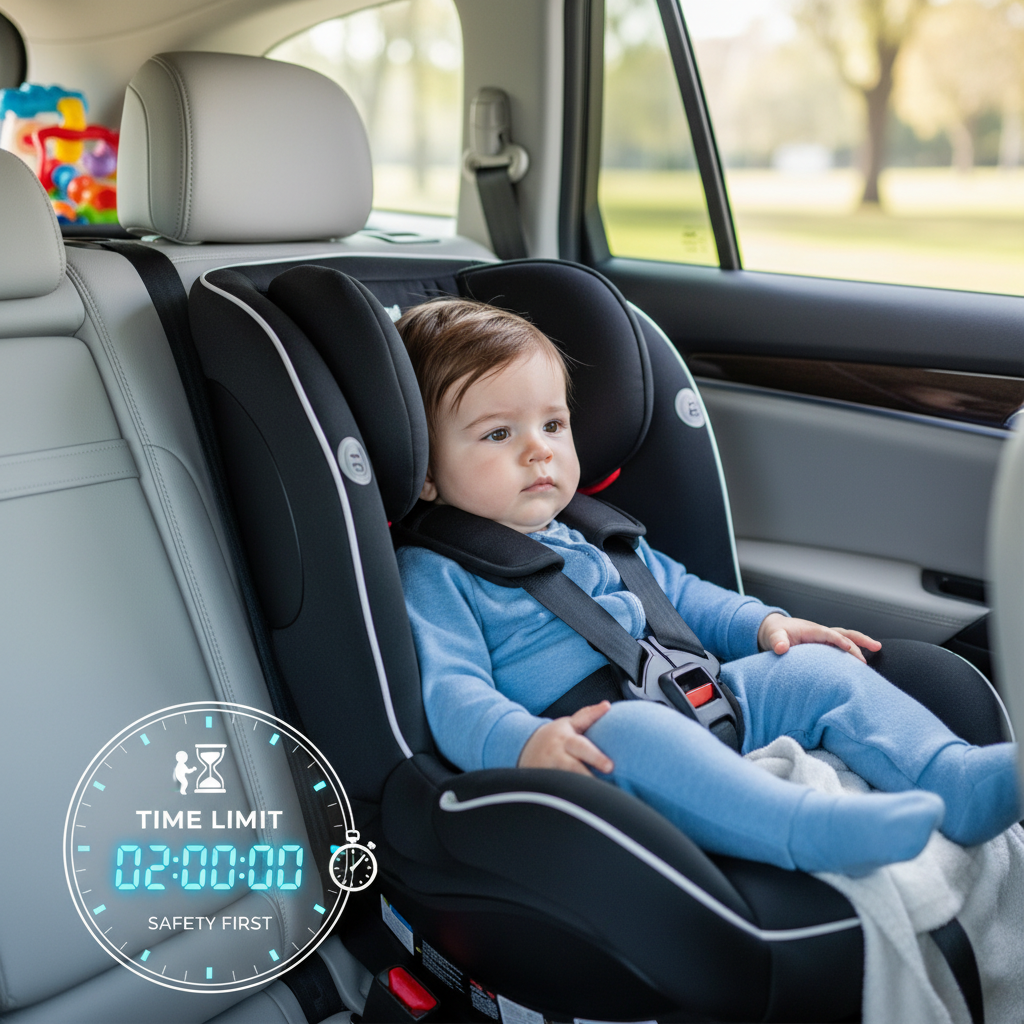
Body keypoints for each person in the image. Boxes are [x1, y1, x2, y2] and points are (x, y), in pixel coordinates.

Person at [395, 297, 1020, 876]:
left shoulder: (590, 531)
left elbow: (683, 595)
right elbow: (451, 690)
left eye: (553, 425)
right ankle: (808, 828)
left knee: (816, 671)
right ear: (425, 472)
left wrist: (764, 625)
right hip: (591, 749)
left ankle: (954, 780)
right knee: (634, 733)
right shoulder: (437, 572)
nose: (539, 452)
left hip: (705, 697)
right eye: (498, 433)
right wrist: (525, 742)